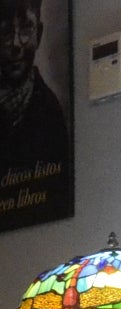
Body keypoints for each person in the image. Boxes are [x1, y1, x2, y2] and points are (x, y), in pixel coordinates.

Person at [0, 0, 70, 215]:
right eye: (4, 31)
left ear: (38, 34)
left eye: (25, 29)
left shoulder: (49, 113)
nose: (15, 43)